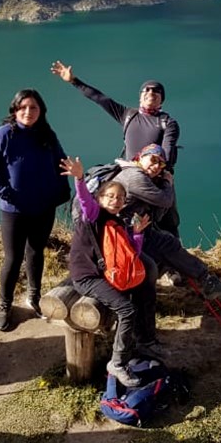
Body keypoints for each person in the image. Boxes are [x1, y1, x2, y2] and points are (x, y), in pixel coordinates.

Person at [0, 89, 72, 331]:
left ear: (41, 111)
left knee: (36, 252)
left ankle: (34, 296)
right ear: (15, 110)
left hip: (43, 206)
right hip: (14, 210)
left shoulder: (47, 136)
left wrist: (63, 191)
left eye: (34, 108)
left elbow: (61, 164)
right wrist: (3, 192)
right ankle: (5, 304)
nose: (28, 112)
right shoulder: (3, 135)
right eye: (23, 107)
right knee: (12, 257)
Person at [50, 60, 181, 237]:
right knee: (120, 212)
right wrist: (74, 80)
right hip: (129, 174)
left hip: (156, 176)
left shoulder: (167, 123)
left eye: (156, 91)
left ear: (161, 100)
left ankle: (171, 254)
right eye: (147, 90)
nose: (151, 92)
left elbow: (166, 151)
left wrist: (163, 176)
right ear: (140, 96)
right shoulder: (128, 114)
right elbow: (100, 98)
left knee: (169, 219)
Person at [61, 155, 161, 386]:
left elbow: (131, 254)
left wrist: (137, 233)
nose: (116, 201)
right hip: (87, 277)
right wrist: (78, 179)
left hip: (107, 274)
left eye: (120, 198)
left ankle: (136, 343)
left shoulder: (118, 222)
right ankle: (117, 363)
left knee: (136, 296)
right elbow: (85, 201)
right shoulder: (94, 216)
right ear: (100, 198)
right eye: (110, 196)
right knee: (127, 310)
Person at [112, 144, 221, 299]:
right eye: (153, 159)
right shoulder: (135, 177)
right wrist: (167, 183)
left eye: (161, 163)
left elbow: (157, 214)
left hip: (130, 230)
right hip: (121, 235)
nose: (157, 165)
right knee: (167, 244)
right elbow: (165, 200)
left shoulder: (138, 174)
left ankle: (203, 279)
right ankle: (207, 281)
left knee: (166, 242)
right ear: (140, 156)